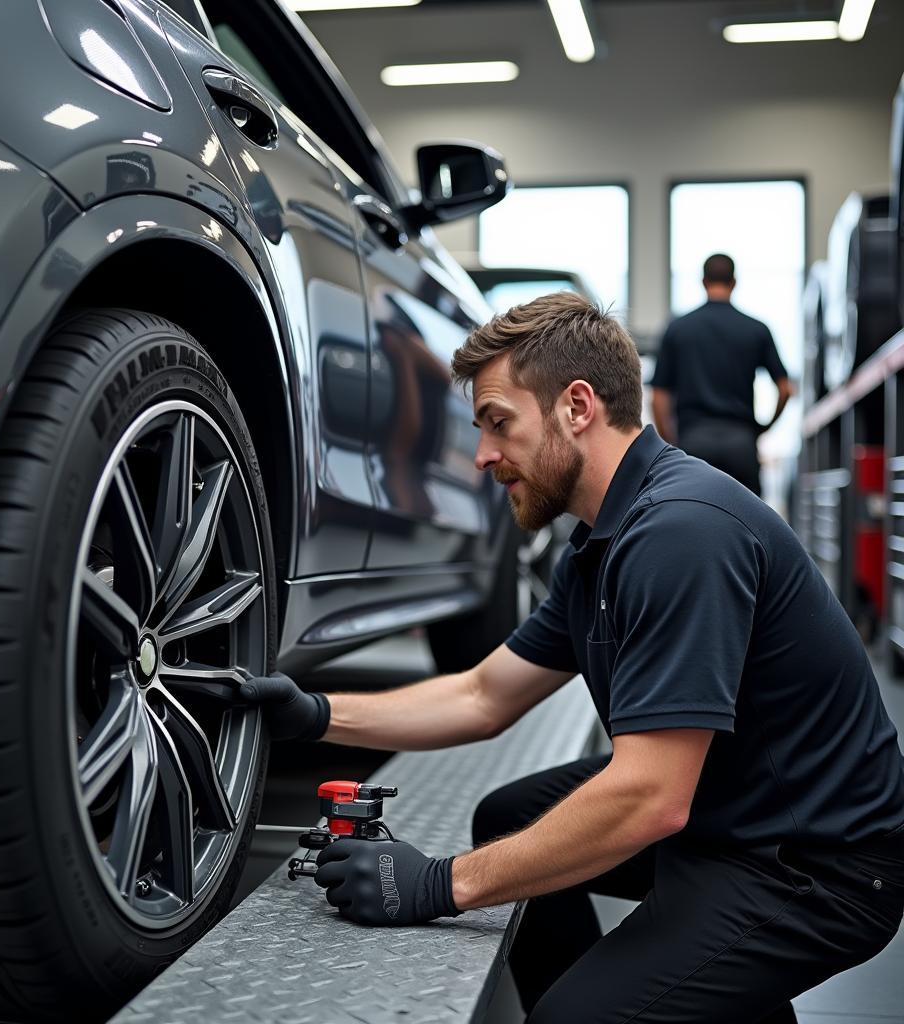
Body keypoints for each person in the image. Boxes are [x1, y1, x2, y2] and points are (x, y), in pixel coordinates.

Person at [244, 292, 904, 1023]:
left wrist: (437, 884)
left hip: (811, 864)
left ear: (577, 406)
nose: (485, 455)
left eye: (499, 423)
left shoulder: (681, 533)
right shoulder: (601, 543)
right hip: (730, 805)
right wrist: (314, 715)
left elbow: (652, 797)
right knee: (510, 814)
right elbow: (482, 696)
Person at [650, 253, 795, 495]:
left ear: (704, 281)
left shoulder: (678, 329)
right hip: (741, 442)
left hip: (693, 443)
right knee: (747, 524)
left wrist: (673, 443)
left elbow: (658, 397)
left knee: (692, 520)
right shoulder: (756, 329)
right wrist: (763, 428)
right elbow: (784, 388)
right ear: (734, 282)